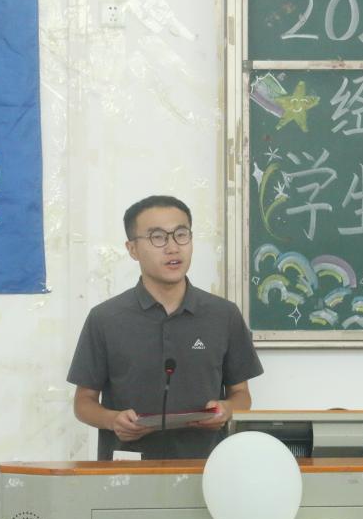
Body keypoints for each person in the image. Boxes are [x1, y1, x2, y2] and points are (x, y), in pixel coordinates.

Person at [68, 195, 263, 460]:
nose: (172, 248)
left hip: (207, 466)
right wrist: (113, 420)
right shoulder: (105, 318)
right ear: (132, 249)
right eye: (157, 237)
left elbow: (241, 395)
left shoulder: (223, 314)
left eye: (181, 235)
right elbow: (83, 403)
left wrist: (226, 410)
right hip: (127, 468)